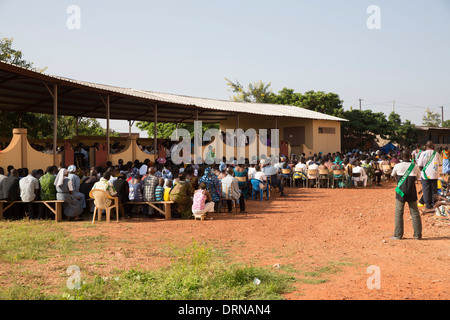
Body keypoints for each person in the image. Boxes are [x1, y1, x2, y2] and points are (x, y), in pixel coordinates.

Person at [390, 150, 422, 240]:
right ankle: (417, 235)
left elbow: (393, 175)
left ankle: (398, 235)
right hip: (411, 191)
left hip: (400, 192)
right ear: (410, 157)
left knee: (399, 213)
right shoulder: (415, 166)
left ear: (401, 157)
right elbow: (418, 178)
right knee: (415, 213)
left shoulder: (397, 166)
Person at [417, 141, 441, 211]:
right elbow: (439, 164)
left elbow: (420, 165)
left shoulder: (423, 153)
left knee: (426, 190)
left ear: (425, 146)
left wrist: (422, 172)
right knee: (434, 190)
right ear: (433, 146)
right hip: (434, 174)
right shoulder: (436, 153)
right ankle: (434, 204)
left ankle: (428, 206)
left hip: (425, 174)